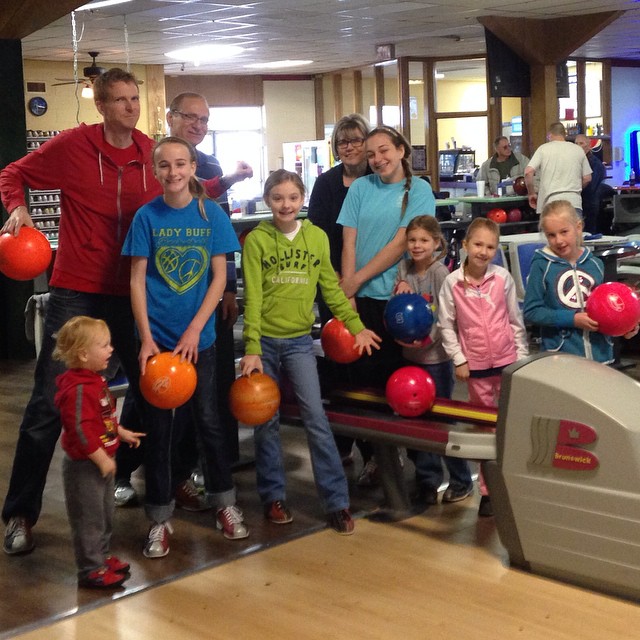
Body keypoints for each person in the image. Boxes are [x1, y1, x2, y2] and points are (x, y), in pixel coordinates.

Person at [114, 92, 254, 510]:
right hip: (157, 340)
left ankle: (222, 502)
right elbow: (137, 280)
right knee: (156, 423)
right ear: (154, 170)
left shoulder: (210, 213)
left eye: (181, 164)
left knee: (207, 420)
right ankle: (156, 512)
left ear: (194, 168)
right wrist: (144, 338)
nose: (173, 171)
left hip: (201, 341)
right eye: (164, 165)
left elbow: (217, 275)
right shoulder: (146, 216)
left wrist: (197, 327)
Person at [239, 169, 381, 535]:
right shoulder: (256, 241)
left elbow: (331, 291)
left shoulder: (316, 237)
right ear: (268, 201)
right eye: (277, 198)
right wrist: (251, 349)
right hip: (265, 345)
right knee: (265, 422)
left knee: (316, 418)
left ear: (302, 199)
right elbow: (253, 298)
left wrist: (355, 326)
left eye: (292, 197)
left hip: (300, 341)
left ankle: (336, 502)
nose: (285, 204)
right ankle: (273, 496)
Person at [337, 125, 436, 485]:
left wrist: (356, 279)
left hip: (398, 300)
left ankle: (417, 460)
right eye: (371, 154)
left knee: (400, 379)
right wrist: (348, 290)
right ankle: (376, 455)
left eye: (384, 151)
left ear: (400, 150)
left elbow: (400, 244)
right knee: (365, 382)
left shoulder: (420, 190)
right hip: (361, 300)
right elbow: (349, 240)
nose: (377, 159)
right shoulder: (361, 188)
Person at [438, 217, 528, 517]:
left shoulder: (502, 278)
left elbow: (515, 320)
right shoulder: (452, 283)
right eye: (478, 244)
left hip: (506, 363)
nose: (484, 251)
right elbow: (446, 326)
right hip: (475, 369)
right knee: (485, 429)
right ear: (465, 245)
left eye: (490, 246)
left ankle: (515, 484)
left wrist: (521, 359)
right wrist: (459, 359)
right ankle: (488, 492)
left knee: (511, 425)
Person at [53, 316, 144, 588]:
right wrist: (102, 458)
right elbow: (80, 429)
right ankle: (91, 569)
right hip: (85, 467)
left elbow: (101, 419)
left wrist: (120, 432)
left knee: (104, 514)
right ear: (83, 354)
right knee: (89, 519)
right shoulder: (78, 389)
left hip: (102, 462)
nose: (111, 349)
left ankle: (101, 557)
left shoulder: (93, 381)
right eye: (104, 345)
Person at [308, 113, 375, 477]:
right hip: (333, 285)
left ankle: (375, 448)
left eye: (355, 139)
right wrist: (338, 286)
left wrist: (357, 282)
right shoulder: (326, 184)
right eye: (342, 141)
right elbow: (319, 238)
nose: (348, 147)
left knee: (369, 365)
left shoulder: (379, 181)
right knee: (340, 362)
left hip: (371, 283)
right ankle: (344, 443)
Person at [393, 215, 473, 507]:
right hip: (410, 357)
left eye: (424, 240)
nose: (417, 246)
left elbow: (445, 317)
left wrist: (427, 340)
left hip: (435, 359)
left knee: (441, 421)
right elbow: (398, 313)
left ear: (436, 243)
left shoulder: (440, 274)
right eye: (412, 240)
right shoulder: (403, 270)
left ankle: (462, 480)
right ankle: (427, 481)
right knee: (418, 422)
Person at [523, 200, 639, 362]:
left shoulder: (595, 264)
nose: (559, 240)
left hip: (601, 356)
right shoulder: (542, 265)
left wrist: (625, 325)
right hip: (562, 358)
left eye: (564, 232)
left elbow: (608, 308)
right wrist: (572, 319)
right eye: (551, 235)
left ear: (578, 228)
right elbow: (532, 311)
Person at [524, 122, 592, 216]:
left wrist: (531, 193)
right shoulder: (578, 150)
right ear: (565, 135)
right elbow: (587, 178)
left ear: (549, 135)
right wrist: (574, 188)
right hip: (574, 203)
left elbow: (528, 172)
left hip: (550, 203)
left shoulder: (543, 149)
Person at [575, 134, 607, 234]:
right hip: (579, 203)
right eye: (576, 143)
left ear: (589, 146)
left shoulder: (595, 163)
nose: (578, 146)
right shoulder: (576, 162)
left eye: (581, 143)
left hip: (590, 204)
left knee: (589, 234)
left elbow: (591, 185)